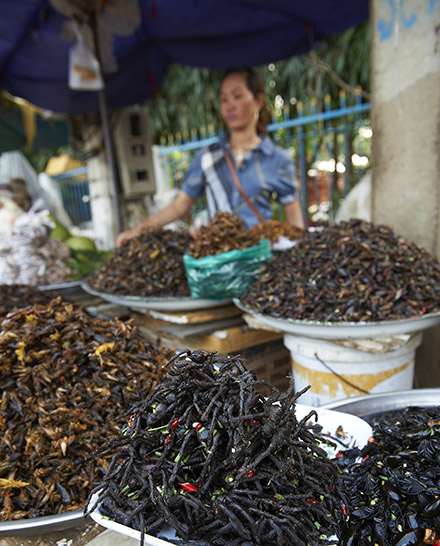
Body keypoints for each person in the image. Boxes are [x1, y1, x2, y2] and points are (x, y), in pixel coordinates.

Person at [116, 66, 305, 247]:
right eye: (224, 99)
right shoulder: (208, 157)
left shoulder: (277, 159)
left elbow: (295, 224)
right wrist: (139, 230)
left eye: (237, 96)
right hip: (219, 264)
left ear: (258, 101)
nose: (229, 106)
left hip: (262, 261)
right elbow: (179, 207)